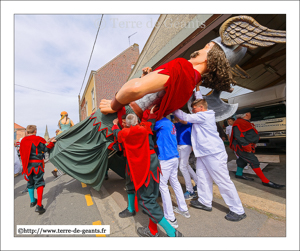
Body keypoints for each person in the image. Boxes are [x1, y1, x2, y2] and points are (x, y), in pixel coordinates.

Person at [174, 84, 246, 222]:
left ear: (201, 108)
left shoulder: (204, 116)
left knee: (222, 181)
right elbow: (199, 100)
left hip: (213, 153)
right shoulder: (202, 112)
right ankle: (205, 202)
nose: (192, 110)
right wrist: (197, 88)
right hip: (203, 154)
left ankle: (238, 210)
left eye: (194, 108)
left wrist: (171, 105)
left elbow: (184, 116)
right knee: (202, 178)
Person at [112, 108, 183, 237]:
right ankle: (152, 230)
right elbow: (150, 121)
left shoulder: (125, 132)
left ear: (127, 124)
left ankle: (172, 232)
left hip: (143, 169)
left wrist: (114, 124)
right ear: (138, 121)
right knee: (152, 199)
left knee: (147, 202)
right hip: (154, 165)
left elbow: (117, 134)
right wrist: (151, 112)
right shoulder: (145, 127)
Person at [229, 108, 285, 189]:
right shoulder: (239, 122)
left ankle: (239, 174)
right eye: (249, 113)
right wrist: (246, 145)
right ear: (247, 114)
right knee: (253, 161)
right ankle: (265, 181)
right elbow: (238, 136)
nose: (250, 114)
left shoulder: (243, 122)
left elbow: (246, 135)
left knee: (242, 160)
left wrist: (253, 143)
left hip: (244, 146)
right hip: (241, 147)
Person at [154, 115, 190, 228]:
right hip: (174, 157)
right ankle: (183, 209)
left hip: (166, 159)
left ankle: (170, 217)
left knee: (162, 186)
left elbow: (147, 127)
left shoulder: (160, 123)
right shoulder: (170, 123)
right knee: (175, 182)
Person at [19, 125, 56, 214]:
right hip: (37, 165)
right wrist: (52, 143)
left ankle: (32, 201)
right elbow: (46, 149)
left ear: (27, 132)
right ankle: (39, 206)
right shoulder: (38, 139)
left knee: (30, 182)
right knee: (39, 183)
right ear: (35, 131)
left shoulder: (23, 140)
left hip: (27, 166)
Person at [173, 116, 197, 200]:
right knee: (186, 165)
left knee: (182, 167)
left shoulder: (189, 121)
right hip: (179, 145)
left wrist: (177, 116)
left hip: (186, 145)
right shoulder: (177, 124)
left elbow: (183, 121)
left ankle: (190, 191)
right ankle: (197, 183)